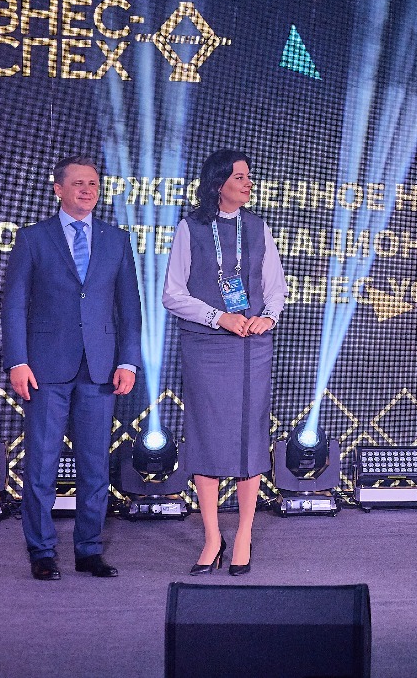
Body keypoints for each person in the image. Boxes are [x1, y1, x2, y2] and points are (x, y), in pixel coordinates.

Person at [2, 155, 143, 581]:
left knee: (95, 465)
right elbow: (14, 305)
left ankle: (89, 550)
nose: (87, 190)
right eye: (78, 183)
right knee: (41, 465)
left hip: (101, 368)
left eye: (93, 184)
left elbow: (130, 309)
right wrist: (17, 361)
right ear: (58, 189)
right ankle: (42, 551)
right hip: (45, 368)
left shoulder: (116, 240)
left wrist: (128, 360)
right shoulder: (33, 238)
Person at [163, 149, 284, 576]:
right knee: (209, 437)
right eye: (239, 177)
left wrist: (268, 317)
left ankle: (245, 533)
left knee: (250, 437)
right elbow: (173, 294)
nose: (248, 184)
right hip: (207, 346)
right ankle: (213, 537)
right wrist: (218, 317)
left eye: (249, 177)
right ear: (218, 184)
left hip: (251, 346)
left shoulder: (258, 227)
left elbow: (276, 288)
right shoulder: (190, 227)